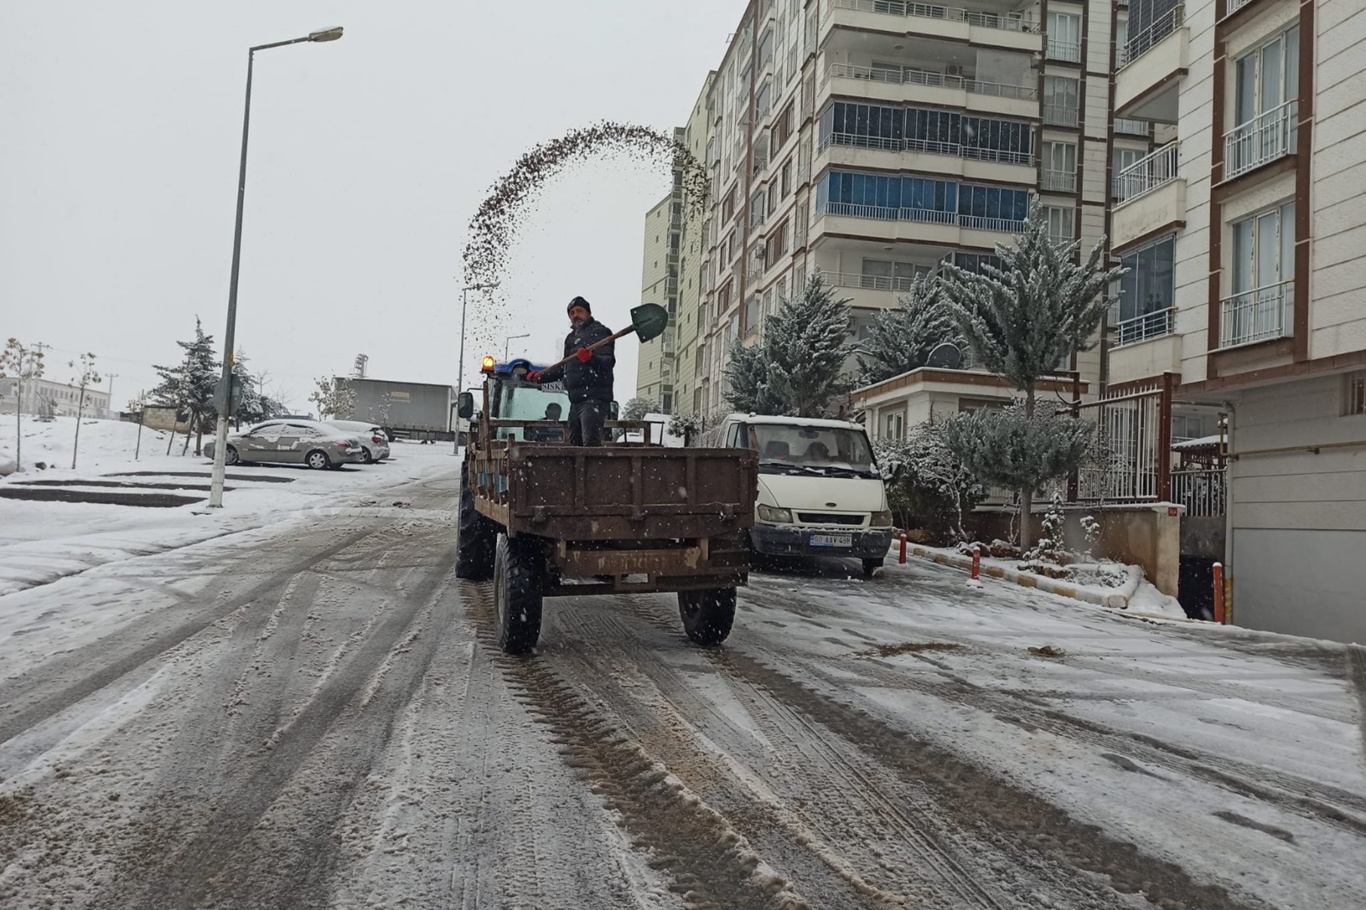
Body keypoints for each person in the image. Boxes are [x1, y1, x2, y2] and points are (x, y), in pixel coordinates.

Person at [528, 296, 615, 446]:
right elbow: (564, 367)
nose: (575, 315)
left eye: (579, 311)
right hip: (575, 400)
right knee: (574, 443)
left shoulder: (601, 332)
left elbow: (608, 362)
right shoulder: (570, 339)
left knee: (590, 442)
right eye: (572, 313)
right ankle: (580, 462)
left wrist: (590, 358)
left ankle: (593, 462)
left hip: (594, 398)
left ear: (588, 313)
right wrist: (542, 377)